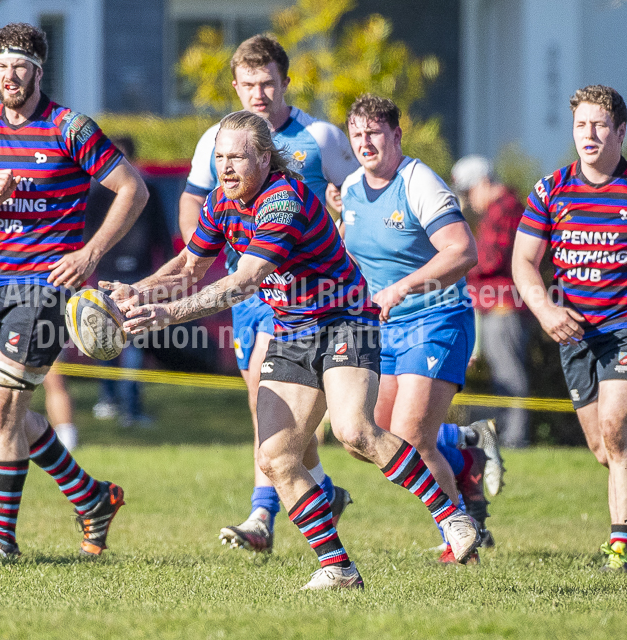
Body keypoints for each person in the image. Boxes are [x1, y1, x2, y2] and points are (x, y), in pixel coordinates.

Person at [105, 110, 481, 589]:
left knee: (354, 431)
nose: (226, 168)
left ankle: (452, 516)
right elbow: (187, 266)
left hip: (345, 320)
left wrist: (164, 315)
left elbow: (243, 282)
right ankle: (338, 569)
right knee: (277, 456)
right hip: (293, 330)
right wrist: (140, 293)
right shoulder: (222, 202)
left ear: (264, 157)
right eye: (219, 157)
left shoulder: (283, 201)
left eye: (237, 157)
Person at [0, 22, 148, 561]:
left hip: (45, 287)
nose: (9, 77)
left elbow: (134, 187)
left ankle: (1, 541)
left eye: (19, 67)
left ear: (38, 70)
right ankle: (92, 497)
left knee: (10, 406)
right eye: (1, 68)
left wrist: (90, 253)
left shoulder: (68, 126)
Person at [178, 34, 359, 553]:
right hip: (243, 287)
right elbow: (195, 203)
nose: (258, 93)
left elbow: (362, 191)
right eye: (249, 84)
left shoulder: (318, 136)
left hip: (306, 290)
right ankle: (322, 491)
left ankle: (261, 514)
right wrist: (198, 260)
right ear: (235, 86)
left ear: (285, 84)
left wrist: (344, 217)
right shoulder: (218, 139)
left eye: (268, 83)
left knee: (271, 390)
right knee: (268, 406)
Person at [339, 94, 495, 562]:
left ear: (396, 136)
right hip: (381, 328)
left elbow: (462, 251)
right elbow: (350, 254)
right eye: (358, 134)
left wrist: (403, 287)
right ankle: (463, 451)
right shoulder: (348, 188)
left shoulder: (418, 182)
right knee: (364, 437)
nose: (366, 142)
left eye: (375, 132)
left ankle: (458, 535)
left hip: (437, 317)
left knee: (410, 437)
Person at [512, 84, 627, 573]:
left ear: (621, 132)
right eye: (582, 124)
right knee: (604, 450)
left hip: (622, 329)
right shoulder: (551, 189)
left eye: (600, 125)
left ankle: (619, 546)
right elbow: (523, 261)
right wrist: (546, 312)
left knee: (616, 430)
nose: (590, 134)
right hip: (573, 335)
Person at [91, 135, 174, 428]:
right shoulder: (98, 195)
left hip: (140, 276)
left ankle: (131, 406)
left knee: (134, 342)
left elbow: (162, 235)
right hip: (108, 277)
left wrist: (166, 278)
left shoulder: (147, 190)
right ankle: (109, 399)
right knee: (106, 338)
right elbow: (88, 236)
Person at [452, 155, 532, 449]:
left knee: (509, 373)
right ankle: (508, 435)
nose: (469, 201)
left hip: (503, 305)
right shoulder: (496, 211)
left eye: (470, 192)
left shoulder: (506, 209)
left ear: (484, 182)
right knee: (502, 374)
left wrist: (457, 263)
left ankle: (515, 438)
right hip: (490, 306)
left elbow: (490, 259)